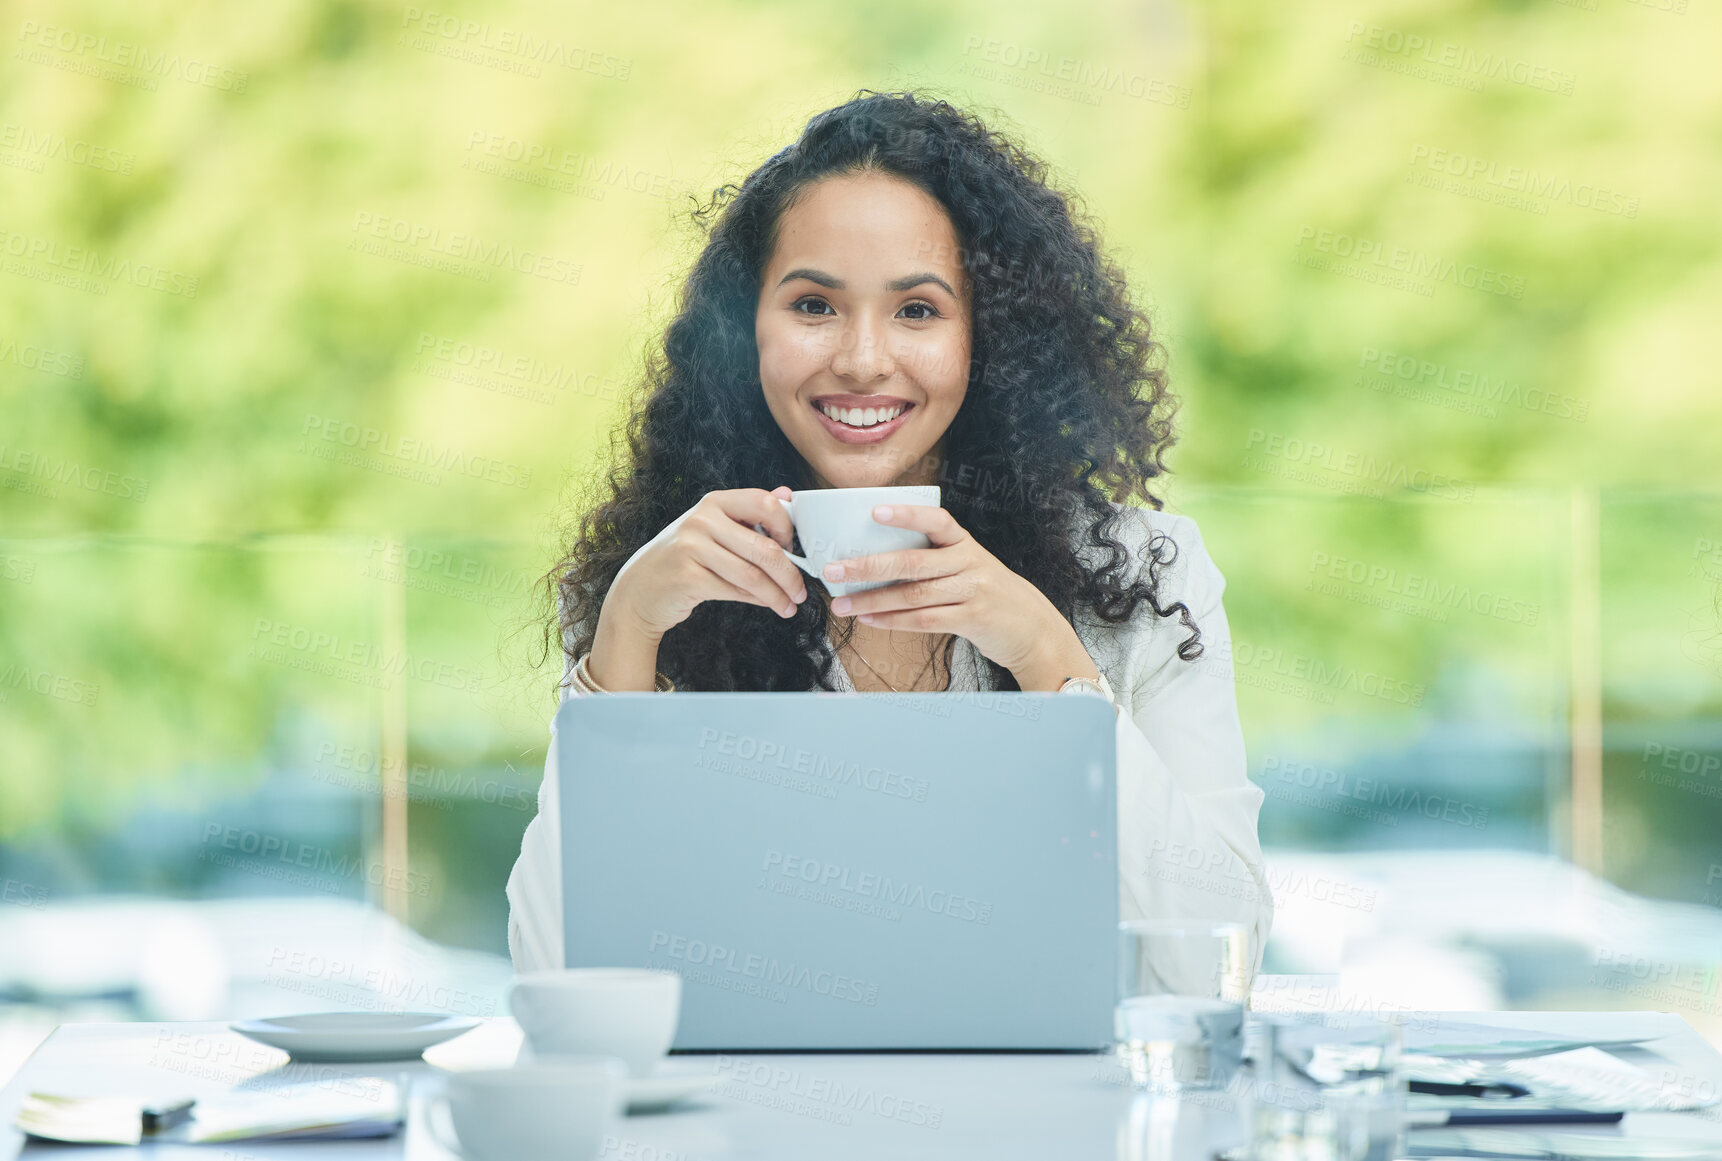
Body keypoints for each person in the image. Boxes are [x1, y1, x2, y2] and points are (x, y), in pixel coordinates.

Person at [506, 90, 1272, 981]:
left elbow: (1220, 965)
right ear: (745, 331)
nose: (864, 359)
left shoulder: (1143, 574)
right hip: (757, 1119)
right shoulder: (666, 589)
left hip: (1055, 1122)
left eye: (917, 311)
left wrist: (1046, 655)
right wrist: (627, 632)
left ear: (990, 339)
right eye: (813, 306)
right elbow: (557, 975)